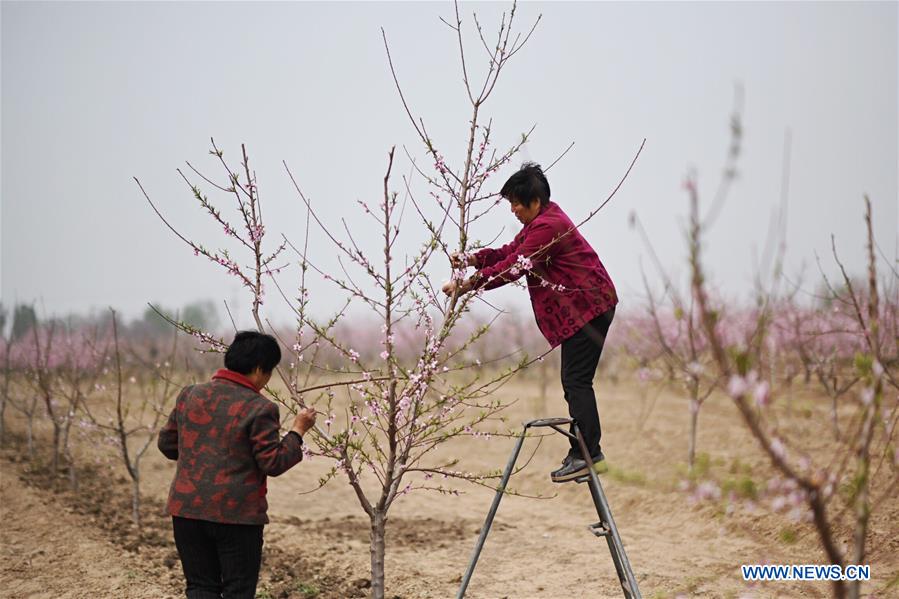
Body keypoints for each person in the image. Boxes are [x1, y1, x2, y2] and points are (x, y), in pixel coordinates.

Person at [442, 163, 617, 483]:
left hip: (589, 307)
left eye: (516, 203)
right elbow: (511, 251)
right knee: (575, 380)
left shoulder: (548, 227)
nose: (513, 210)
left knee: (576, 381)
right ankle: (585, 452)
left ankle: (588, 454)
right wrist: (472, 259)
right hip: (588, 305)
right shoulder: (542, 221)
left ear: (535, 201)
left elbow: (515, 265)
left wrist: (468, 284)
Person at [158, 331, 317, 599]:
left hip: (187, 511)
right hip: (236, 516)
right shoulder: (260, 407)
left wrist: (200, 456)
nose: (267, 381)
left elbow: (167, 445)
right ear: (258, 369)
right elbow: (273, 462)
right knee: (237, 592)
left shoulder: (190, 395)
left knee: (200, 588)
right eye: (268, 372)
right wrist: (297, 432)